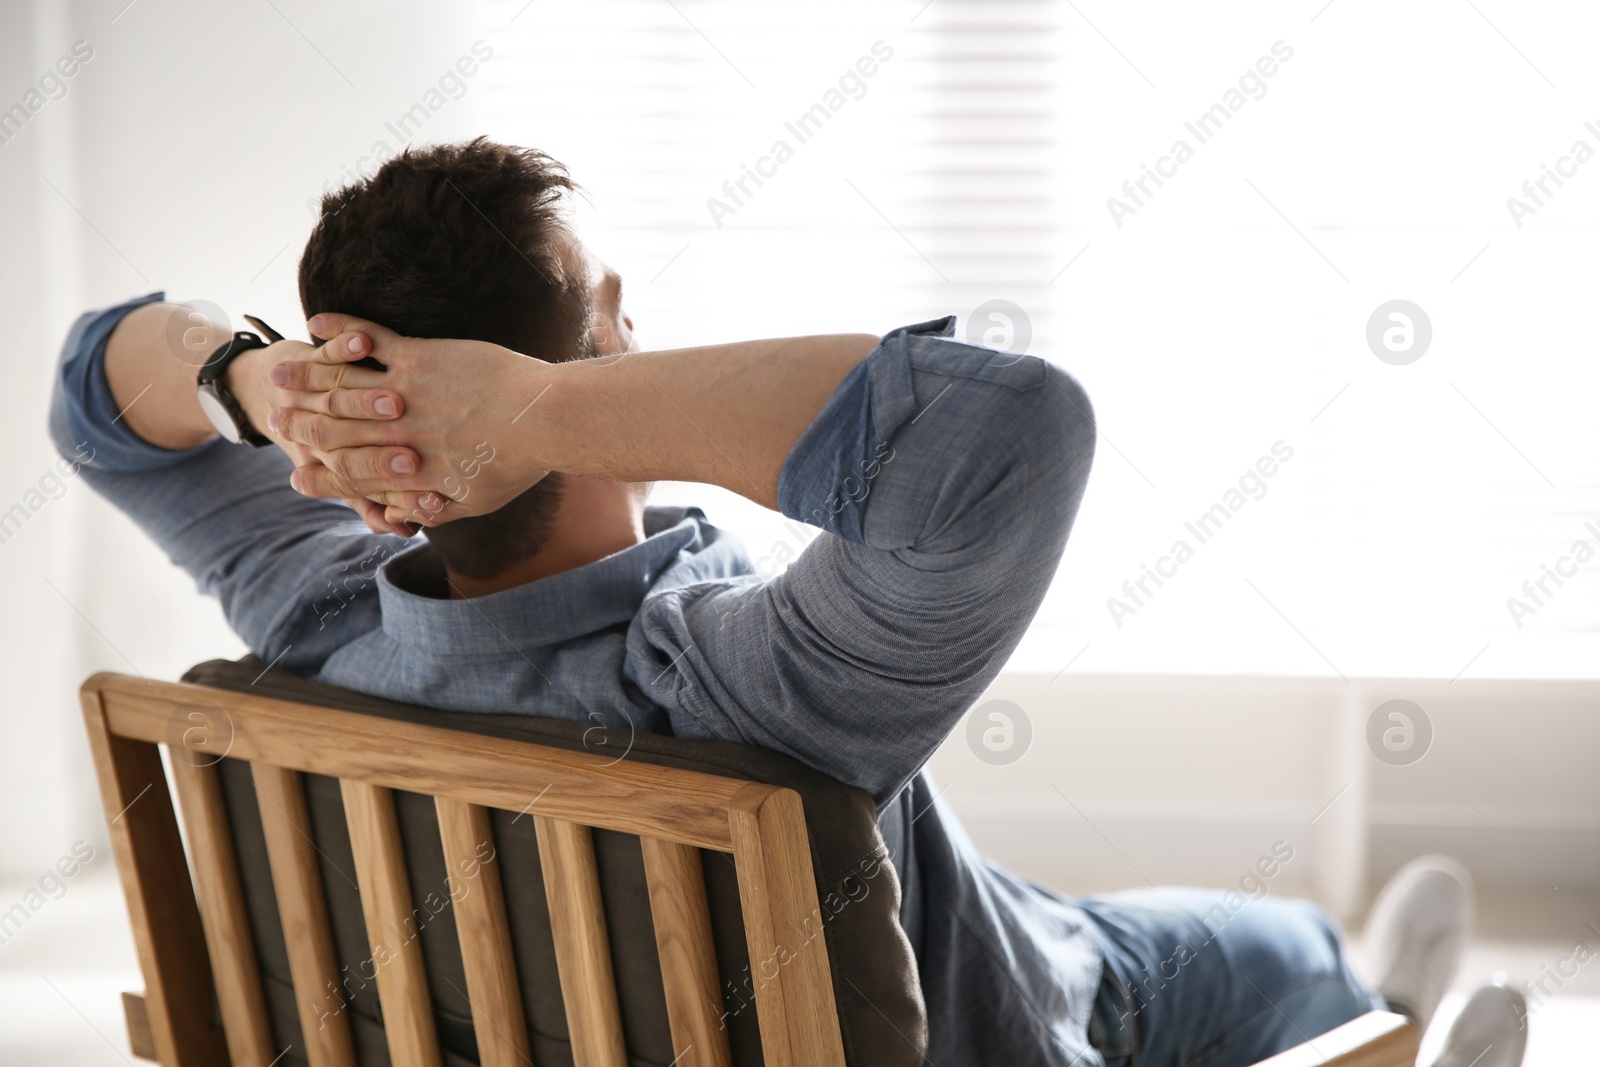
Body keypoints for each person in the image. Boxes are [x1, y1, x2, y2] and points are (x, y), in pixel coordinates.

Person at [49, 139, 1524, 1067]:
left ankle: (1371, 986)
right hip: (1034, 1009)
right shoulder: (732, 693)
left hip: (904, 925)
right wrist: (556, 409)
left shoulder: (314, 615)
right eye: (610, 332)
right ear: (559, 376)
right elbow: (1008, 434)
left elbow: (91, 395)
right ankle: (1372, 1001)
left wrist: (252, 381)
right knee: (1217, 957)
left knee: (1084, 910)